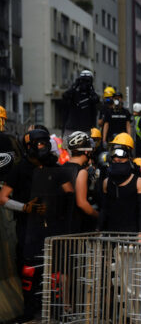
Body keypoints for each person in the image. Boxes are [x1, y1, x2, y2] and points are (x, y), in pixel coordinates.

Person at [0, 129, 74, 319]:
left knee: (55, 267)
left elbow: (69, 194)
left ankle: (57, 310)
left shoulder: (55, 166)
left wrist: (55, 205)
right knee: (29, 268)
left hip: (53, 226)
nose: (42, 147)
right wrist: (25, 208)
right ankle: (30, 310)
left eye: (44, 142)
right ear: (29, 146)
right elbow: (3, 198)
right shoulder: (19, 169)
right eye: (38, 143)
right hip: (27, 226)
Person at [97, 133, 141, 234]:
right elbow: (104, 209)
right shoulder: (106, 182)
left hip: (131, 236)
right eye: (113, 152)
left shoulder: (138, 182)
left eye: (120, 152)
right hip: (110, 235)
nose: (117, 157)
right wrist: (98, 229)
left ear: (128, 155)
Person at [62, 131, 99, 232]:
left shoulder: (61, 167)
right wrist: (98, 216)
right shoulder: (81, 172)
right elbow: (82, 203)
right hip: (75, 225)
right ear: (86, 151)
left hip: (62, 223)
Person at [61, 70, 100, 136]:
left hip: (87, 130)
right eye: (83, 80)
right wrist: (75, 85)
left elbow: (96, 99)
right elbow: (65, 96)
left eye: (87, 81)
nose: (84, 83)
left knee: (87, 146)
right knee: (67, 146)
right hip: (71, 129)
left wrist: (90, 88)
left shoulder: (91, 95)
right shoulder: (74, 94)